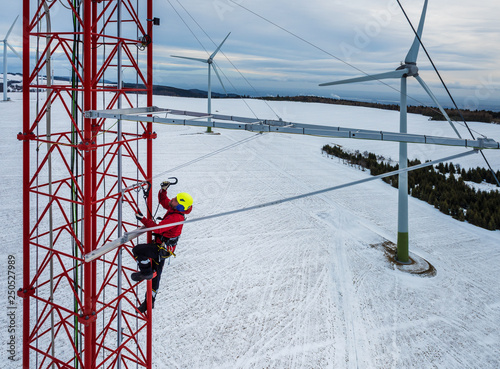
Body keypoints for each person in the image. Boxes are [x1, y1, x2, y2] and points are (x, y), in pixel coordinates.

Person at [131, 180, 193, 313]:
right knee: (156, 275)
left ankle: (146, 272)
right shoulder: (174, 208)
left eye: (176, 200)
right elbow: (164, 201)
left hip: (162, 249)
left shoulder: (176, 217)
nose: (173, 200)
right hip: (161, 247)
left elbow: (159, 229)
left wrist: (143, 219)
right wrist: (163, 190)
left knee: (138, 251)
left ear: (181, 207)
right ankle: (149, 302)